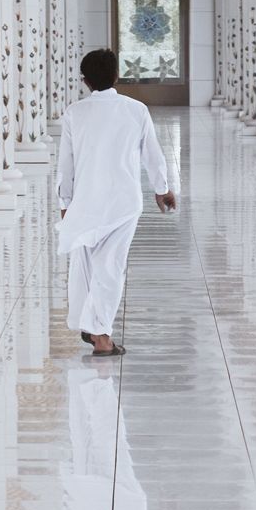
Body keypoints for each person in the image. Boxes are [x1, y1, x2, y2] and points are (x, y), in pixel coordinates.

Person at [57, 48, 177, 356]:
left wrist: (64, 201)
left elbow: (65, 164)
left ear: (84, 81)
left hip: (85, 202)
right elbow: (152, 153)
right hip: (123, 203)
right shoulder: (135, 110)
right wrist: (162, 188)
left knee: (84, 266)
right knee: (110, 267)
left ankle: (92, 325)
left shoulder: (75, 112)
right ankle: (101, 335)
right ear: (116, 76)